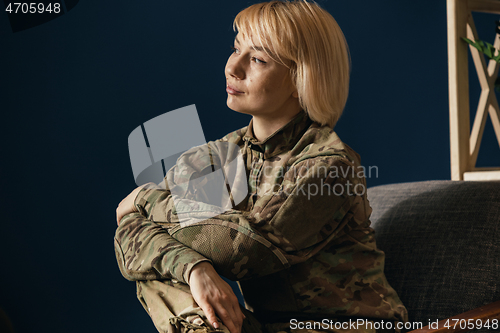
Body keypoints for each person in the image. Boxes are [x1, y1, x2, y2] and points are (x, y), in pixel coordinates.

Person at [115, 1, 408, 333]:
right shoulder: (221, 156)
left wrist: (145, 199)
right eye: (236, 49)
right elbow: (128, 233)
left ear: (300, 79)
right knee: (162, 276)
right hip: (264, 327)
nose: (233, 68)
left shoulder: (329, 166)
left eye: (257, 59)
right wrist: (194, 268)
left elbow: (244, 250)